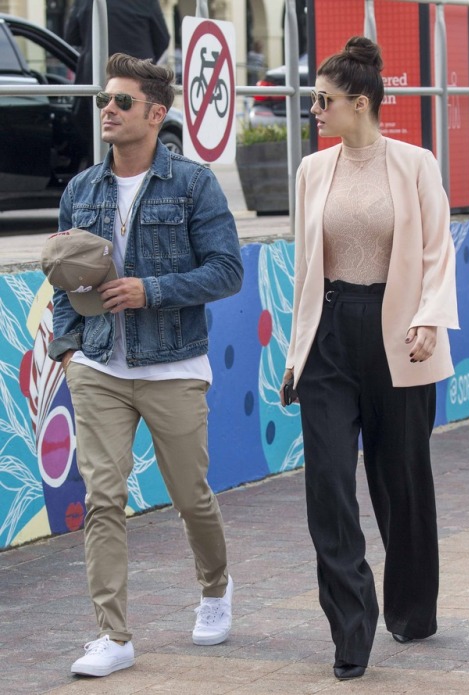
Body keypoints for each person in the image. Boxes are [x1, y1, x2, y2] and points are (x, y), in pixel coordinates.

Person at [42, 52, 243, 678]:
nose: (108, 108)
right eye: (105, 99)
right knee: (103, 498)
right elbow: (64, 277)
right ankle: (113, 635)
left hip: (174, 364)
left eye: (123, 101)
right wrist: (68, 349)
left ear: (156, 114)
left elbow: (228, 269)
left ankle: (215, 589)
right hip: (99, 366)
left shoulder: (193, 183)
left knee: (190, 496)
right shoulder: (81, 190)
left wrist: (150, 289)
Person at [280, 36, 459, 681]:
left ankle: (411, 610)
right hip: (328, 334)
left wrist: (429, 319)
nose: (316, 111)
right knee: (327, 485)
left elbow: (438, 250)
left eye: (324, 100)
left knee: (401, 482)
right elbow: (305, 270)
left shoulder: (415, 164)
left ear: (360, 103)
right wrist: (297, 352)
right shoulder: (311, 171)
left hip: (396, 336)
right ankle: (351, 628)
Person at [65, 0, 170, 163]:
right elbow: (162, 39)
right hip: (138, 82)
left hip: (94, 79)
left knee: (96, 140)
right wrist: (140, 66)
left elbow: (71, 36)